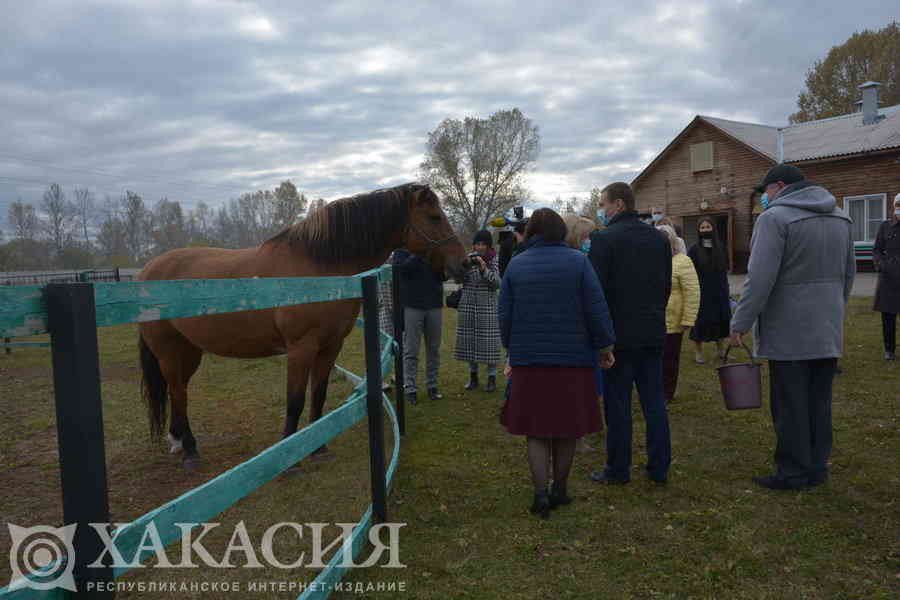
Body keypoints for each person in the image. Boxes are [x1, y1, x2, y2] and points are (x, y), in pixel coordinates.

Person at [731, 163, 855, 490]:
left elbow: (759, 279)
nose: (764, 199)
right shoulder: (841, 216)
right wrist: (834, 311)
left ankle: (793, 471)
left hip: (788, 330)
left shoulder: (774, 219)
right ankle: (817, 465)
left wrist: (740, 322)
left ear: (780, 186)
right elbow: (849, 275)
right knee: (819, 400)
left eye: (766, 192)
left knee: (790, 404)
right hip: (827, 326)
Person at [499, 208, 615, 518]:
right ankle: (559, 490)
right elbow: (596, 307)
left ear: (532, 231)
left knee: (536, 431)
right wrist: (604, 346)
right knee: (567, 429)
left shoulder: (516, 265)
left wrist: (511, 347)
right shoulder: (579, 262)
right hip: (573, 360)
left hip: (529, 360)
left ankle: (540, 495)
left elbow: (505, 314)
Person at [588, 182, 672, 485]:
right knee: (654, 402)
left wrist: (601, 338)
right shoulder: (658, 239)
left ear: (619, 204)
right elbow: (665, 286)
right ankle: (659, 466)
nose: (602, 210)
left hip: (618, 336)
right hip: (652, 331)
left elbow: (596, 292)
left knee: (618, 404)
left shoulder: (604, 239)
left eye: (603, 204)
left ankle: (618, 469)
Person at [564, 214, 606, 452]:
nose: (591, 240)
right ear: (577, 237)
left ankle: (587, 427)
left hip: (584, 331)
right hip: (579, 332)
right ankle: (577, 434)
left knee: (590, 382)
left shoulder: (585, 258)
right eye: (587, 236)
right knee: (580, 384)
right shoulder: (577, 261)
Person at [391, 248, 445, 405]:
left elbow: (442, 275)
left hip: (434, 303)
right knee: (411, 350)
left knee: (434, 349)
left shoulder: (435, 247)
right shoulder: (403, 250)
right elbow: (400, 270)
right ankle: (410, 388)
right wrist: (419, 255)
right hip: (412, 305)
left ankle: (432, 386)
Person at [657, 224, 700, 403]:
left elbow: (692, 291)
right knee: (655, 360)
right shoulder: (651, 260)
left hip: (674, 321)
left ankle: (667, 392)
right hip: (653, 318)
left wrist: (688, 318)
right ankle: (655, 389)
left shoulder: (683, 261)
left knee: (670, 359)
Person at [454, 230, 502, 392]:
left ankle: (491, 378)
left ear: (489, 246)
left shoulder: (494, 259)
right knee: (470, 342)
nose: (480, 247)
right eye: (477, 244)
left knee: (489, 344)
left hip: (487, 306)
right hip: (468, 305)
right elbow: (457, 280)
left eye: (483, 244)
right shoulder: (468, 258)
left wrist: (484, 269)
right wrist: (463, 268)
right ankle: (473, 377)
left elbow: (497, 283)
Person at [688, 218, 732, 364]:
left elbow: (725, 269)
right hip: (702, 292)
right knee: (701, 321)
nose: (706, 230)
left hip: (719, 290)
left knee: (721, 319)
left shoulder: (721, 247)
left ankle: (721, 351)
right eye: (702, 227)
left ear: (713, 228)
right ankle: (698, 353)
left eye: (708, 227)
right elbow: (691, 272)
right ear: (699, 230)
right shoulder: (694, 250)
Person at [873, 193, 900, 361]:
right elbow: (877, 250)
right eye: (898, 205)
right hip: (888, 278)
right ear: (894, 206)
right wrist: (880, 265)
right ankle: (889, 349)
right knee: (888, 316)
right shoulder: (885, 226)